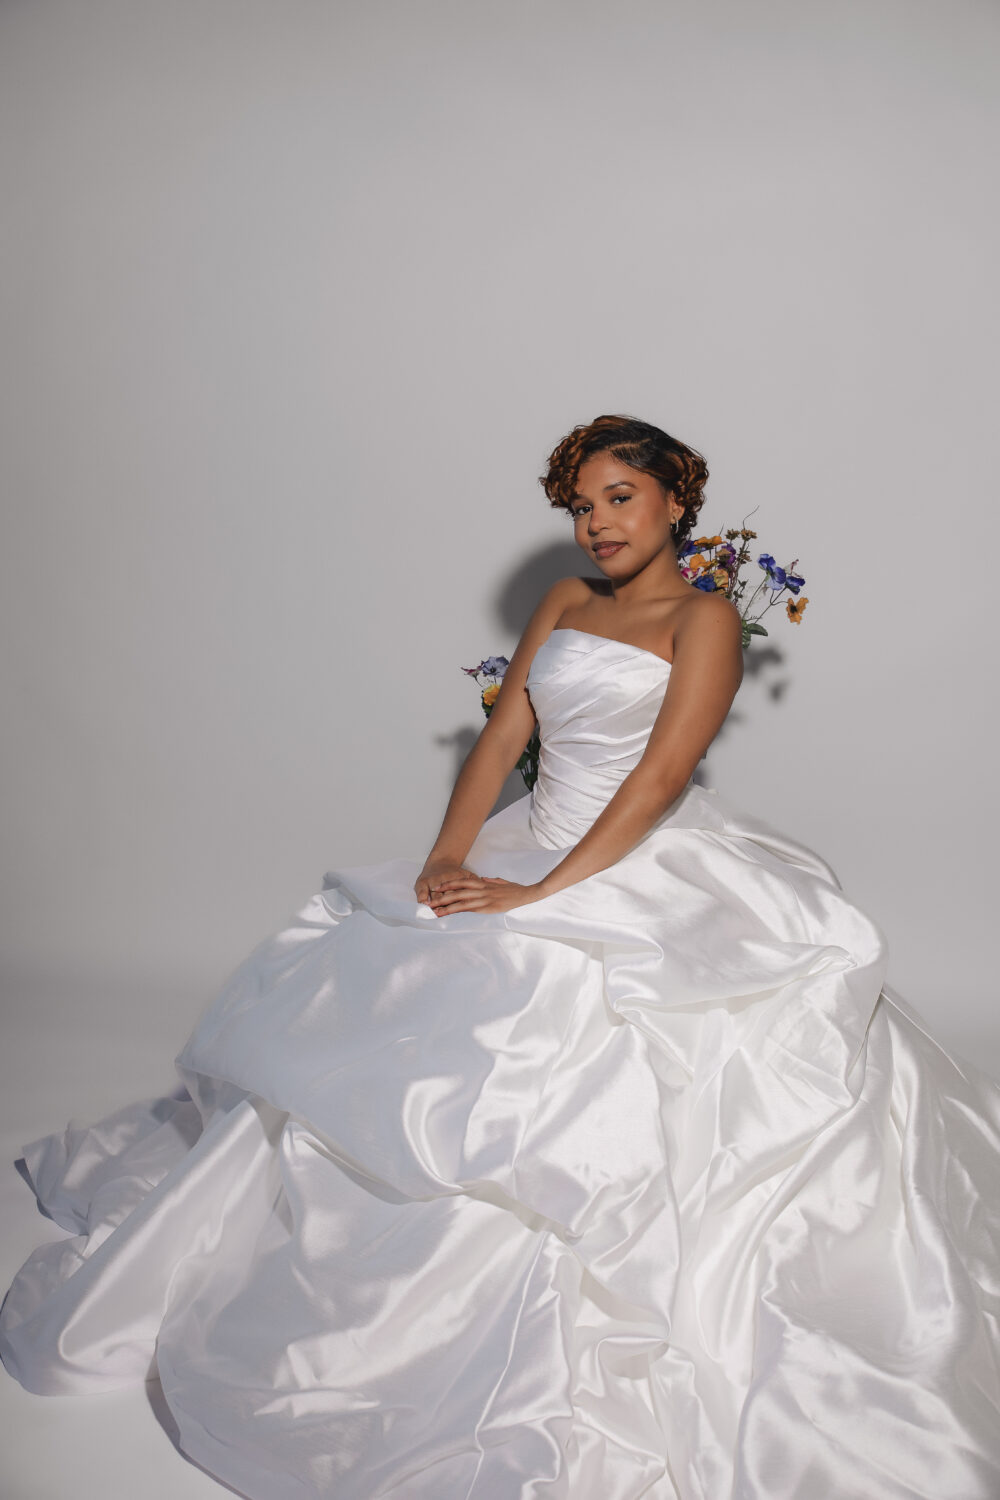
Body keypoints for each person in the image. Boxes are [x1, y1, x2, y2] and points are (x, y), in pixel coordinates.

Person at [1, 413, 998, 1500]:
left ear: (675, 502)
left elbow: (660, 781)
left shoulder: (704, 618)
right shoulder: (565, 604)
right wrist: (448, 855)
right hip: (530, 841)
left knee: (592, 1033)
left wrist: (542, 892)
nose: (597, 522)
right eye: (581, 504)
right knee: (402, 978)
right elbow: (504, 740)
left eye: (621, 497)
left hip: (635, 860)